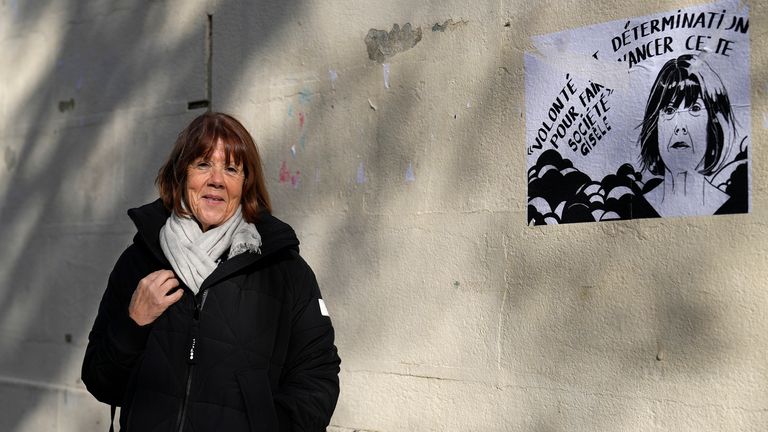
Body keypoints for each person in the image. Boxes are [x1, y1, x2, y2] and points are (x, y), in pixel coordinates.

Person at [82, 112, 341, 431]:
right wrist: (133, 323)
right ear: (181, 175)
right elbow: (100, 381)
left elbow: (318, 378)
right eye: (203, 164)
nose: (216, 179)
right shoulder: (139, 261)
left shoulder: (285, 272)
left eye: (231, 168)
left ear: (245, 184)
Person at [638, 54, 745, 217]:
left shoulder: (734, 208)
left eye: (694, 109)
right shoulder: (637, 208)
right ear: (655, 126)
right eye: (669, 111)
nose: (680, 127)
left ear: (713, 123)